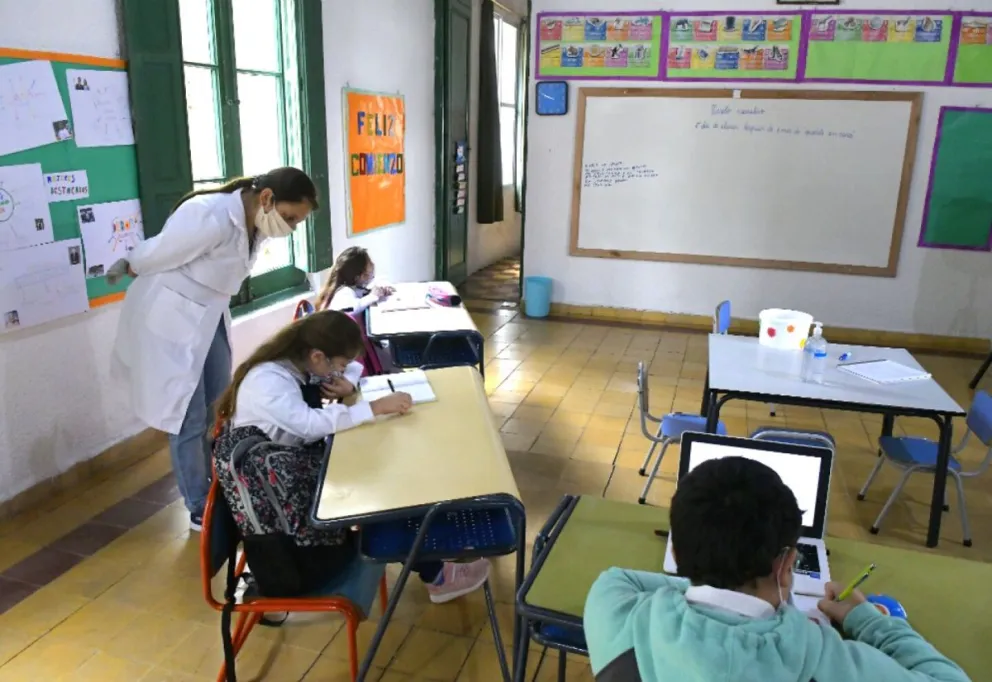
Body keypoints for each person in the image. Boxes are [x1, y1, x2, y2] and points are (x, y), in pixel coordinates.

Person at [583, 457, 970, 682]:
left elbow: (622, 577)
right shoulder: (821, 659)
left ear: (676, 551)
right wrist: (866, 619)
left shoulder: (615, 611)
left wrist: (709, 563)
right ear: (787, 564)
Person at [213, 310, 492, 604]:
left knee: (388, 471)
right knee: (380, 494)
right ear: (318, 356)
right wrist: (373, 408)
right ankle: (437, 576)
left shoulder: (297, 364)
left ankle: (430, 545)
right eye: (339, 366)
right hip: (289, 514)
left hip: (295, 475)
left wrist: (347, 384)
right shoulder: (268, 382)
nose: (340, 371)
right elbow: (308, 425)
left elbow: (353, 369)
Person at [110, 167, 318, 531]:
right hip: (172, 317)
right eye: (289, 218)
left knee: (218, 405)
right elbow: (162, 252)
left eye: (297, 222)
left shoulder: (254, 221)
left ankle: (217, 484)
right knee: (184, 416)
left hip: (208, 316)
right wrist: (131, 262)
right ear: (267, 197)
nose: (290, 227)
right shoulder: (209, 215)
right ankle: (198, 506)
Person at [315, 246, 394, 314]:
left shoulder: (354, 287)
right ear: (359, 277)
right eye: (370, 263)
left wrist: (380, 292)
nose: (373, 265)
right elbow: (350, 309)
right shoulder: (344, 292)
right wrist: (372, 296)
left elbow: (362, 293)